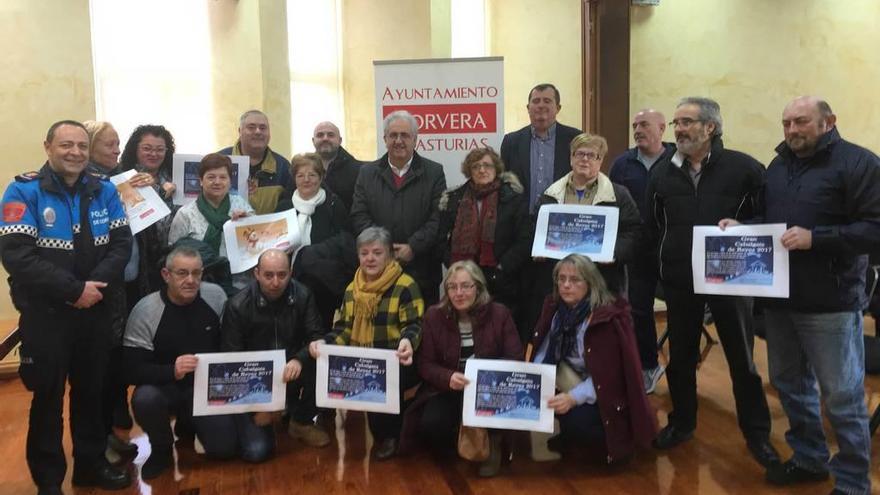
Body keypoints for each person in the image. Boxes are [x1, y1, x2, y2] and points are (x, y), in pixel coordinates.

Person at [721, 96, 880, 494]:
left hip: (831, 302)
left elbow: (875, 229)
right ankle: (809, 459)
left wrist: (817, 239)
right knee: (790, 384)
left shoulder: (860, 163)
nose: (792, 130)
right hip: (779, 299)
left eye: (801, 122)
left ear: (829, 121)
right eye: (786, 123)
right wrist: (742, 227)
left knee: (842, 396)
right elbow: (776, 225)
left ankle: (853, 482)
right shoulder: (778, 167)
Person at [0, 120, 133, 494]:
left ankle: (89, 467)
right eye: (66, 145)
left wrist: (91, 291)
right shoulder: (23, 190)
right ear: (48, 147)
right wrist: (74, 290)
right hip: (47, 317)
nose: (75, 152)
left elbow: (121, 245)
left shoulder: (104, 190)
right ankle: (48, 481)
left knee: (90, 395)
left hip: (95, 312)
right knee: (47, 400)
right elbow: (17, 257)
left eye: (80, 145)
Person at [646, 97, 779, 467]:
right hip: (680, 280)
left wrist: (746, 229)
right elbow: (653, 223)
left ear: (710, 127)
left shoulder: (745, 169)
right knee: (681, 357)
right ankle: (682, 423)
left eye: (687, 122)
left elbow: (769, 218)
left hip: (731, 279)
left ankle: (757, 436)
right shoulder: (663, 172)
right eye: (676, 123)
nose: (679, 129)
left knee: (741, 360)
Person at [309, 226, 424, 461]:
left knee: (384, 411)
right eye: (364, 253)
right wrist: (326, 343)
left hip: (397, 358)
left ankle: (393, 436)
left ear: (389, 255)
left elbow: (415, 324)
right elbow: (344, 328)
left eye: (377, 252)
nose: (370, 258)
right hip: (363, 360)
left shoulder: (405, 285)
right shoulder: (353, 288)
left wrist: (407, 342)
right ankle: (387, 432)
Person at [123, 246, 239, 479]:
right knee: (145, 398)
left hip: (207, 388)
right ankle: (161, 447)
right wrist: (172, 371)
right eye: (182, 273)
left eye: (196, 273)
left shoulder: (215, 296)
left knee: (224, 449)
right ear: (166, 275)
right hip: (165, 387)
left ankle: (188, 425)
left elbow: (229, 345)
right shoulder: (145, 311)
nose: (190, 280)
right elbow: (132, 371)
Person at [400, 260, 522, 477]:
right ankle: (458, 439)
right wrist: (448, 377)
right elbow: (425, 364)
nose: (459, 293)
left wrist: (488, 380)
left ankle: (491, 442)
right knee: (431, 425)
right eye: (452, 287)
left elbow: (515, 359)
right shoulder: (433, 316)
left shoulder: (499, 314)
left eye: (466, 286)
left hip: (489, 389)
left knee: (492, 412)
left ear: (479, 287)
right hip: (448, 388)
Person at [529, 254, 655, 462]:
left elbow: (609, 378)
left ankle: (610, 446)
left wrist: (572, 398)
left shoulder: (605, 319)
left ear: (590, 283)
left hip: (606, 394)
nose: (566, 285)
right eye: (561, 279)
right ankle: (571, 434)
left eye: (575, 280)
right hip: (571, 378)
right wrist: (532, 384)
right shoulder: (557, 310)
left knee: (579, 421)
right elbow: (543, 353)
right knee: (540, 401)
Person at [526, 133, 641, 341]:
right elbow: (536, 228)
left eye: (592, 155)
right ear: (571, 158)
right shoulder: (550, 194)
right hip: (560, 281)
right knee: (559, 338)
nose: (585, 159)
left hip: (602, 279)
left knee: (600, 340)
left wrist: (614, 253)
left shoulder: (618, 194)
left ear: (600, 160)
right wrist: (539, 248)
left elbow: (633, 232)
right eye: (580, 154)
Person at [83, 120, 150, 464]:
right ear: (90, 145)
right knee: (96, 370)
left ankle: (108, 433)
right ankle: (98, 442)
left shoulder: (116, 180)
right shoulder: (91, 184)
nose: (116, 150)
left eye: (118, 144)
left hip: (121, 286)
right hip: (99, 289)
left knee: (111, 365)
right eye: (109, 144)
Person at [221, 249, 329, 462]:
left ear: (290, 273)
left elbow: (315, 335)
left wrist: (300, 357)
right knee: (257, 451)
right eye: (268, 275)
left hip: (292, 369)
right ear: (257, 274)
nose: (275, 282)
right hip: (256, 380)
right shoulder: (237, 305)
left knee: (324, 355)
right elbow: (232, 361)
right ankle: (270, 416)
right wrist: (259, 408)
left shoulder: (303, 295)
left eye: (282, 274)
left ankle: (301, 421)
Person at [609, 109, 675, 394]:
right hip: (637, 251)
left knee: (683, 311)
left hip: (673, 251)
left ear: (661, 128)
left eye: (644, 124)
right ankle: (648, 365)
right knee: (639, 310)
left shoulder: (678, 160)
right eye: (634, 125)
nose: (637, 129)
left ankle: (683, 372)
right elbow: (611, 205)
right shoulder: (622, 163)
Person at [350, 110, 447, 304]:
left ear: (415, 139)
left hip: (422, 270)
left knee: (423, 331)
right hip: (377, 270)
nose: (399, 141)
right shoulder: (367, 173)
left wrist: (413, 246)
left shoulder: (434, 172)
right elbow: (359, 215)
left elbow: (438, 219)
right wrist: (383, 249)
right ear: (385, 139)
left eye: (405, 135)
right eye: (393, 135)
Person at [437, 147, 531, 311]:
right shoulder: (454, 199)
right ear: (469, 171)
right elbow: (440, 239)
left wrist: (502, 267)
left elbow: (524, 239)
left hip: (503, 281)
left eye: (487, 165)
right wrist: (453, 264)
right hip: (464, 282)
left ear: (496, 169)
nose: (482, 170)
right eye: (476, 166)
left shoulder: (512, 198)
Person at [276, 153, 356, 328]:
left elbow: (345, 241)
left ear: (321, 177)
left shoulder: (333, 204)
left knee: (320, 331)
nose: (306, 180)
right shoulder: (284, 206)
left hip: (324, 284)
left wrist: (312, 253)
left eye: (312, 175)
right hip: (288, 283)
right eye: (300, 175)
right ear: (294, 178)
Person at [500, 83, 582, 213]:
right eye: (536, 101)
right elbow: (503, 184)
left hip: (561, 222)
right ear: (528, 108)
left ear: (558, 108)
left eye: (547, 101)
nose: (541, 105)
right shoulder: (511, 142)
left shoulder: (575, 139)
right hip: (521, 224)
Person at [119, 124, 178, 298]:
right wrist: (156, 189)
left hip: (172, 253)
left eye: (160, 149)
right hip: (139, 259)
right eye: (147, 148)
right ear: (135, 149)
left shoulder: (175, 175)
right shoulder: (123, 177)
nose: (154, 154)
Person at [168, 153, 254, 259]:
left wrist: (246, 223)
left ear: (230, 181)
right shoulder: (185, 214)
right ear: (200, 181)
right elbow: (174, 251)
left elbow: (256, 241)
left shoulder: (241, 206)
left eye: (223, 177)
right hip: (198, 273)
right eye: (211, 177)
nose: (217, 182)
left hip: (236, 272)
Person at [220, 109, 293, 214]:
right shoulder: (220, 160)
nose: (258, 131)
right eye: (251, 127)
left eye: (263, 128)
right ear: (239, 131)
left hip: (269, 229)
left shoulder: (283, 167)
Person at [312, 121, 363, 211]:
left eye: (330, 135)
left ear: (340, 140)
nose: (325, 138)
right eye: (320, 135)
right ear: (313, 141)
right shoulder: (301, 170)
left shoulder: (359, 171)